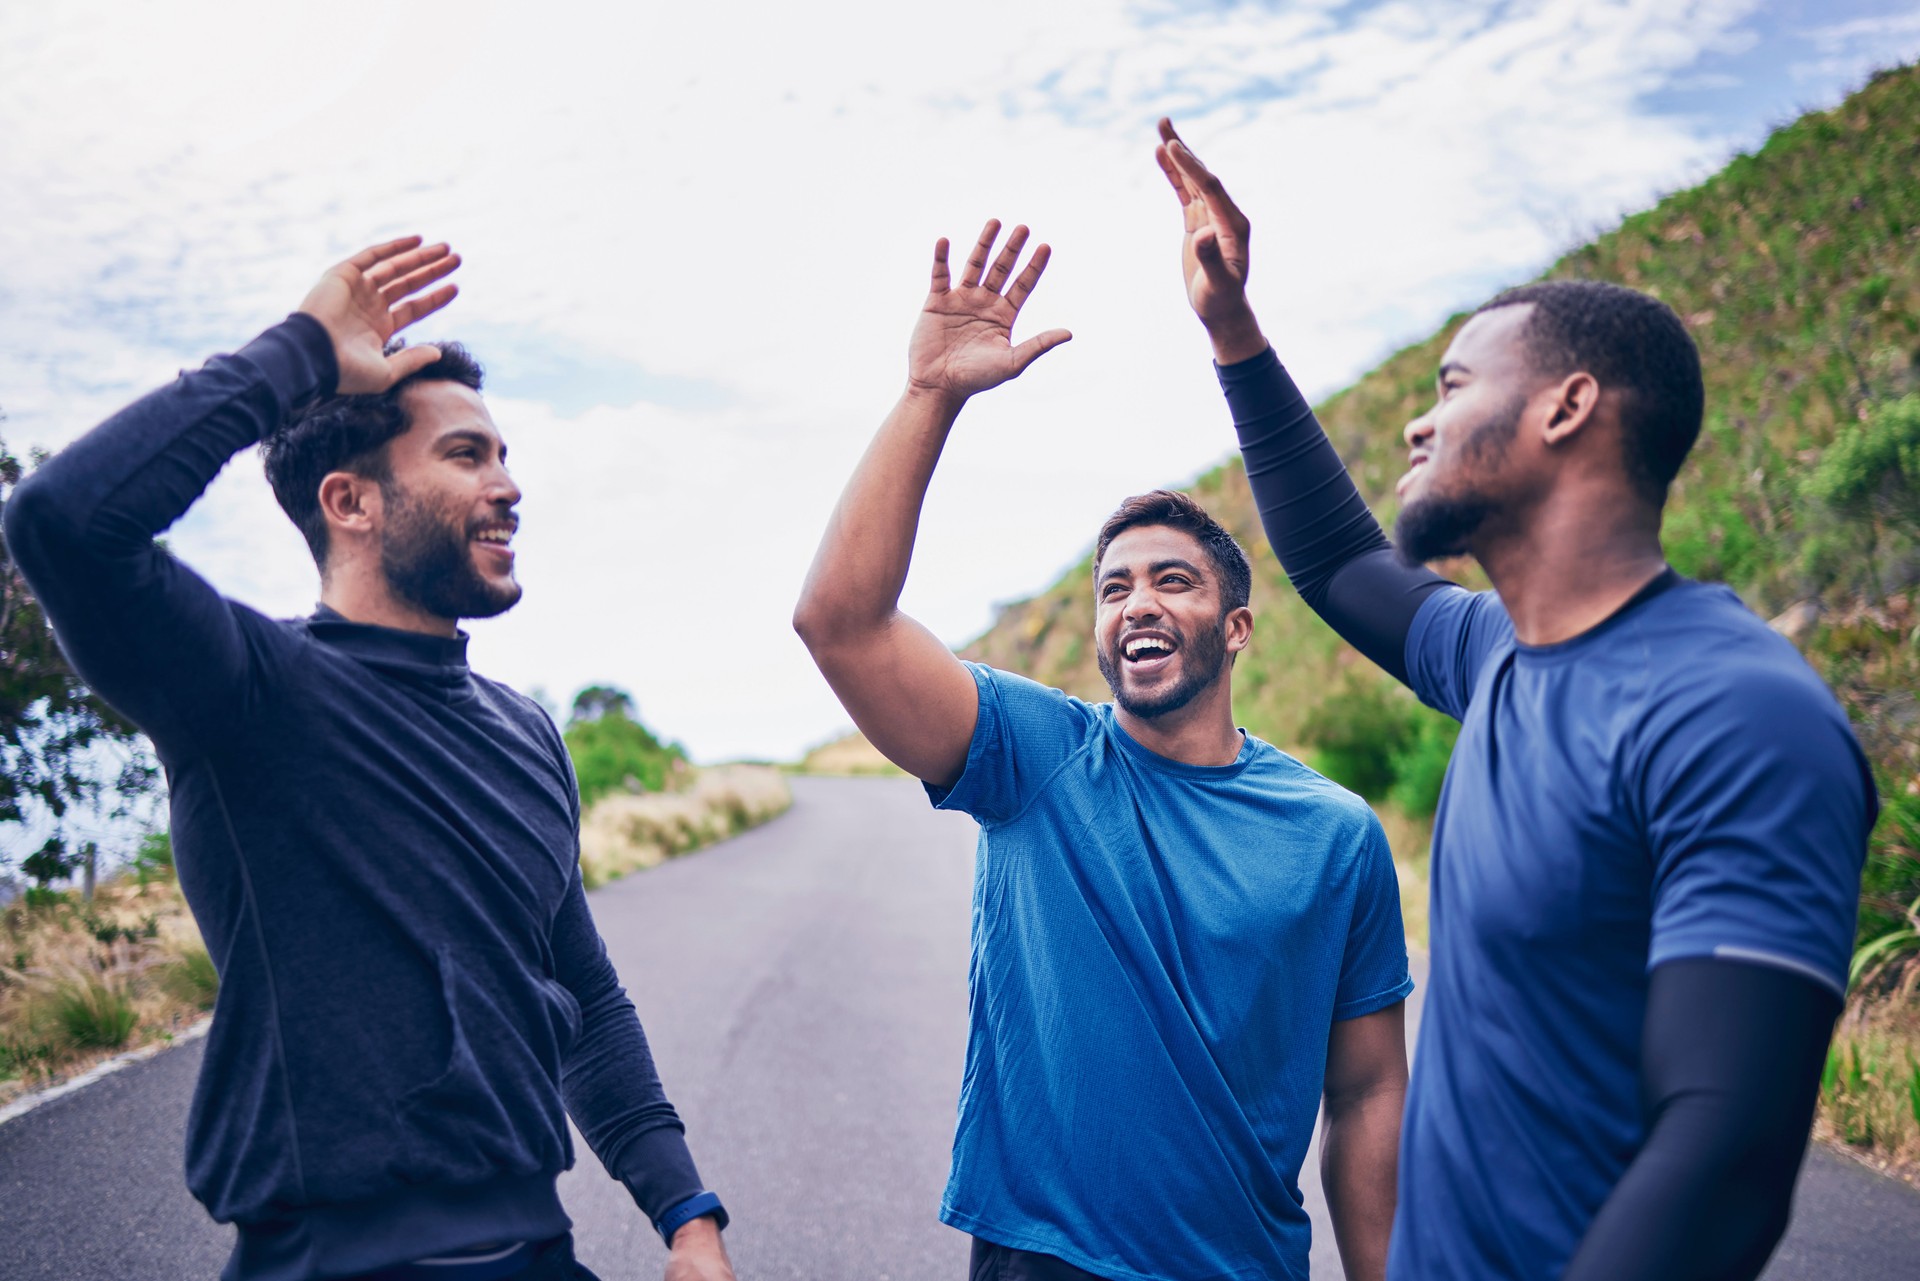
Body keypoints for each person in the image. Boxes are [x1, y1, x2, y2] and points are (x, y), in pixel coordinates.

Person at [1153, 120, 1877, 1280]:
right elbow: (1342, 565)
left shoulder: (1735, 714)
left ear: (1566, 408)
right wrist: (1233, 330)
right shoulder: (1501, 654)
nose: (1417, 422)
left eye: (1451, 386)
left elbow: (1726, 1149)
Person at [4, 238, 733, 1281]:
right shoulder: (247, 690)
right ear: (349, 502)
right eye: (467, 456)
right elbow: (62, 520)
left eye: (504, 453)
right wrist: (295, 356)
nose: (511, 485)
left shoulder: (525, 731)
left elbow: (584, 996)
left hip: (539, 1250)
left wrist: (687, 1215)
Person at [792, 219, 1413, 1281]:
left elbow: (1363, 1095)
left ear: (1237, 626)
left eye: (1175, 580)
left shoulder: (1336, 835)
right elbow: (841, 622)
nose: (1138, 603)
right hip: (1044, 1261)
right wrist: (930, 398)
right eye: (1115, 586)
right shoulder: (1034, 758)